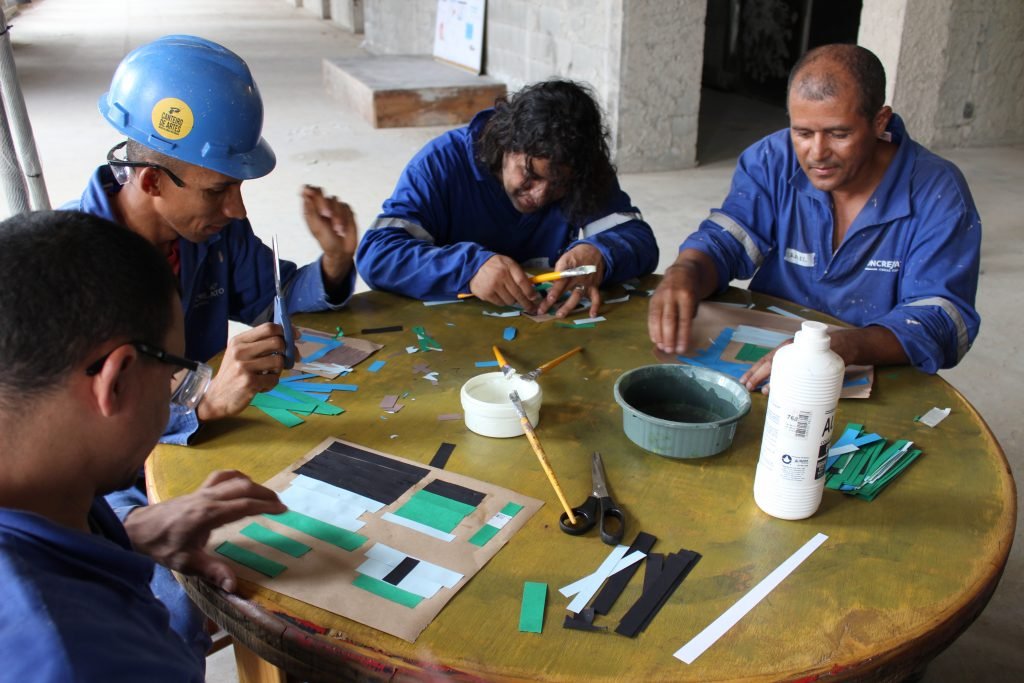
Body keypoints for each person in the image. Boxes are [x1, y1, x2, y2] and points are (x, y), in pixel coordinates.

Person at [0, 210, 288, 680]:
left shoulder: (45, 497)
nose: (180, 398)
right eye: (178, 378)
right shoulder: (85, 661)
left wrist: (128, 536)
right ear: (117, 381)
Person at [65, 34, 359, 445]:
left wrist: (334, 262)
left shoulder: (212, 232)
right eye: (217, 191)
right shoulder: (62, 266)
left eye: (237, 188)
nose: (236, 210)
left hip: (205, 442)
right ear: (151, 180)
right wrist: (201, 404)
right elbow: (67, 426)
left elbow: (272, 299)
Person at [648, 44, 981, 390]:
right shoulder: (772, 159)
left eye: (839, 134)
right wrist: (685, 271)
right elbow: (728, 241)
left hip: (873, 365)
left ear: (879, 121)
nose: (817, 153)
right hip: (766, 357)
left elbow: (940, 320)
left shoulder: (937, 191)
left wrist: (845, 345)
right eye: (802, 133)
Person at [356, 79, 658, 317]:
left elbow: (640, 241)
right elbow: (376, 255)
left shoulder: (581, 170)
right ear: (505, 142)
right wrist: (467, 268)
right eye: (530, 174)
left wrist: (599, 253)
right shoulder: (440, 164)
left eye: (558, 185)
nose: (539, 196)